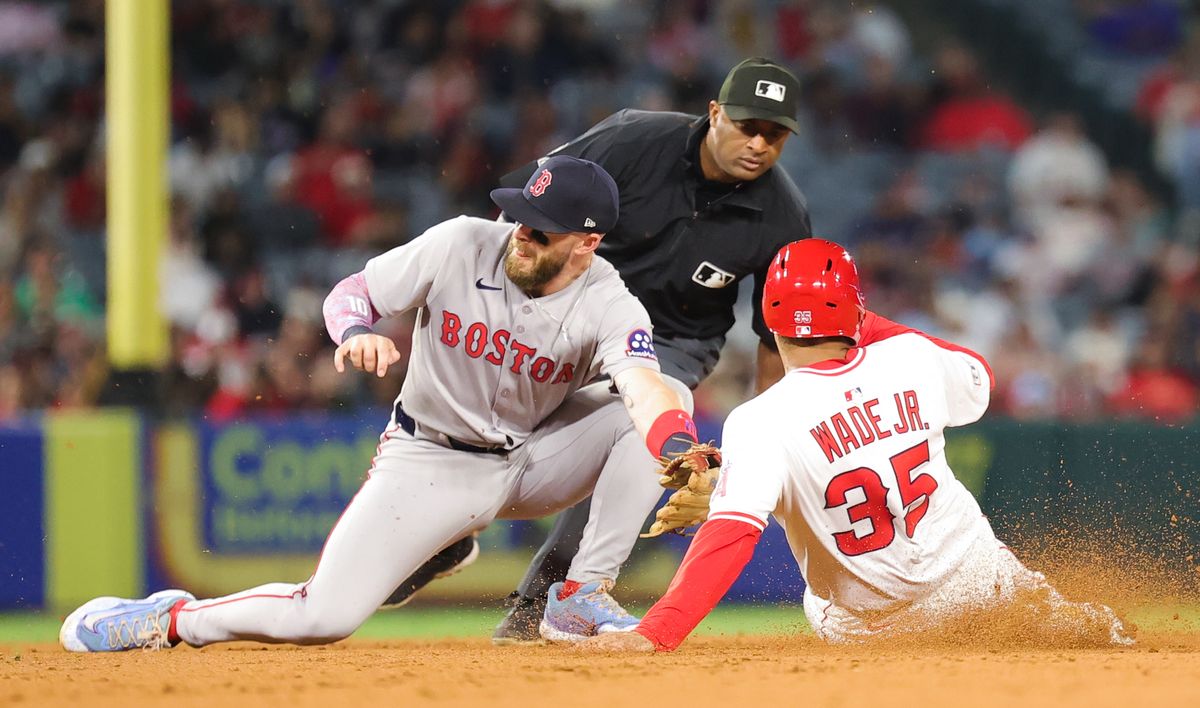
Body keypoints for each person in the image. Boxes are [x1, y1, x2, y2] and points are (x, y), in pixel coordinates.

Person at [58, 156, 707, 652]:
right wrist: (357, 332)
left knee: (669, 393)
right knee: (321, 618)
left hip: (533, 457)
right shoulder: (461, 245)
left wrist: (677, 447)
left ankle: (581, 594)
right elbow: (352, 292)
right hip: (429, 458)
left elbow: (644, 386)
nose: (521, 237)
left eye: (542, 233)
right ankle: (170, 618)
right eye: (520, 220)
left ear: (587, 245)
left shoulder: (608, 299)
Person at [381, 57, 814, 644]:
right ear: (714, 113)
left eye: (775, 133)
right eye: (747, 125)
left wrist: (772, 428)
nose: (759, 143)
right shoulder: (633, 140)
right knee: (478, 390)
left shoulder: (783, 216)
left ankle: (546, 604)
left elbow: (775, 337)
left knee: (648, 420)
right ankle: (443, 525)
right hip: (567, 310)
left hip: (671, 342)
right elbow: (528, 209)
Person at [579, 239, 1134, 652]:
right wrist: (865, 322)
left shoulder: (757, 420)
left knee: (799, 530)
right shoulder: (911, 356)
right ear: (853, 310)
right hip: (984, 586)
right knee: (1077, 628)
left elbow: (728, 539)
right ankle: (1096, 630)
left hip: (874, 632)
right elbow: (978, 379)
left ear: (769, 318)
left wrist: (657, 632)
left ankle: (748, 493)